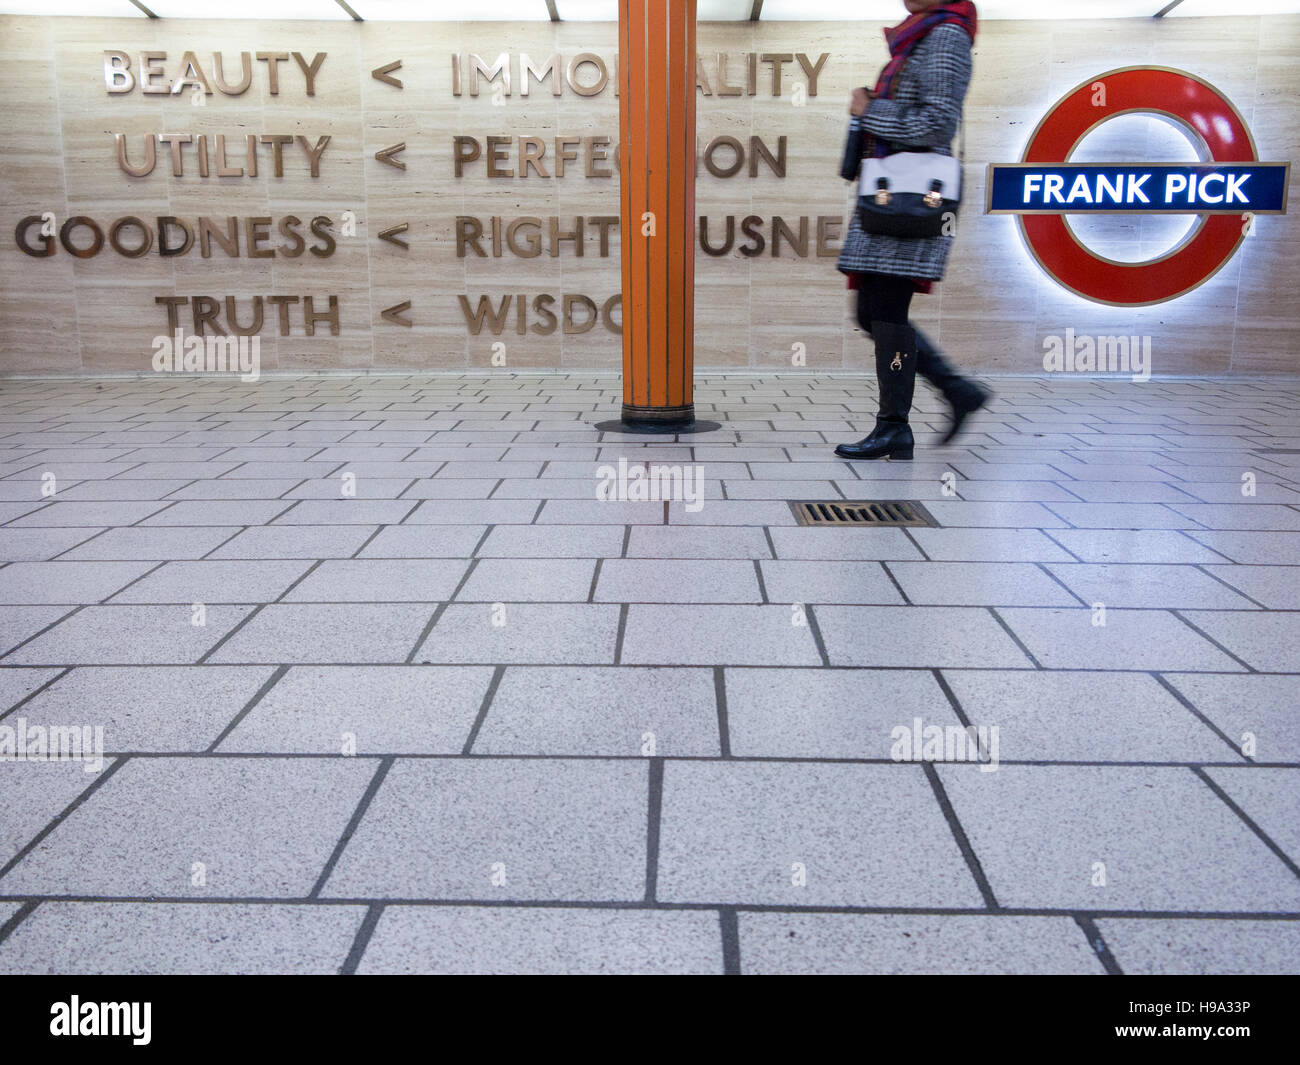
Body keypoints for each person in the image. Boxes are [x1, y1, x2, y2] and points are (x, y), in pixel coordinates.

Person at [834, 0, 989, 462]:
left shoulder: (946, 36)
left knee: (884, 313)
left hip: (911, 202)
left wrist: (870, 110)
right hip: (890, 199)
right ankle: (944, 397)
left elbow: (938, 121)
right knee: (876, 313)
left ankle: (900, 423)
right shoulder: (920, 35)